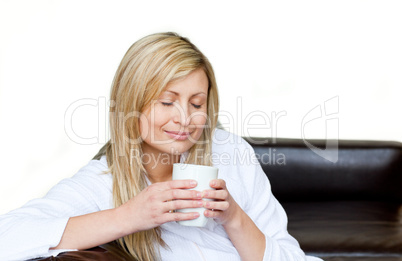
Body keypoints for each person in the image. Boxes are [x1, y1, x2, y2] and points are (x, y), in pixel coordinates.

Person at [0, 32, 322, 261]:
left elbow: (290, 255)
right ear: (133, 103)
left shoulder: (229, 151)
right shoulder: (104, 182)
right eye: (167, 102)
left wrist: (234, 217)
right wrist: (132, 215)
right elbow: (7, 238)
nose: (184, 118)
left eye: (196, 104)